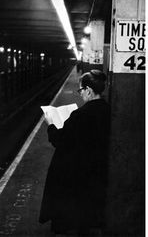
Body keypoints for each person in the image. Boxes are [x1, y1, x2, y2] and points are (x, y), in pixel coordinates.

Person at [39, 70, 111, 235]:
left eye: (80, 90)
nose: (80, 94)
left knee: (67, 196)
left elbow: (60, 140)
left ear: (89, 90)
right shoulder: (107, 109)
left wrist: (51, 124)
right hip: (97, 167)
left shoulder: (81, 114)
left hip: (78, 169)